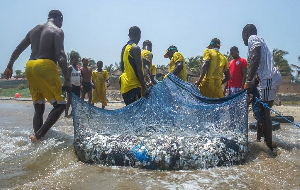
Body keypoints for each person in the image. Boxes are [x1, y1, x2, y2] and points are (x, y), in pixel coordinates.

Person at [3, 10, 70, 143]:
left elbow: (18, 49)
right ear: (59, 18)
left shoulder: (34, 30)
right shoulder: (57, 31)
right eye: (61, 21)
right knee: (61, 105)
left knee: (39, 106)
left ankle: (38, 138)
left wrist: (9, 66)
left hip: (30, 67)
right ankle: (38, 135)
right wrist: (67, 78)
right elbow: (60, 54)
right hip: (45, 66)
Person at [242, 24, 282, 151]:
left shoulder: (252, 38)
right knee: (259, 110)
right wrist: (252, 83)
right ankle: (260, 141)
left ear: (246, 33)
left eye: (242, 35)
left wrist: (248, 81)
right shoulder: (259, 40)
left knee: (264, 113)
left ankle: (270, 149)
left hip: (269, 79)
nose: (243, 39)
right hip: (267, 79)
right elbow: (258, 65)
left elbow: (255, 57)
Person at [120, 26, 148, 105]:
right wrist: (143, 86)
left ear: (129, 35)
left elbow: (122, 67)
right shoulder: (135, 48)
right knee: (135, 114)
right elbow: (138, 69)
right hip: (133, 85)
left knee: (129, 113)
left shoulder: (124, 48)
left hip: (124, 85)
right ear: (139, 35)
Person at [65, 53, 81, 117]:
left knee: (76, 101)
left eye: (77, 60)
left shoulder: (78, 68)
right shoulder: (70, 68)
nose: (76, 61)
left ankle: (72, 113)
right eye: (75, 60)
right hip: (72, 86)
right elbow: (67, 77)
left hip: (78, 86)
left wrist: (81, 85)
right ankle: (66, 114)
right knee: (69, 101)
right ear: (72, 60)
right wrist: (68, 85)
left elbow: (80, 77)